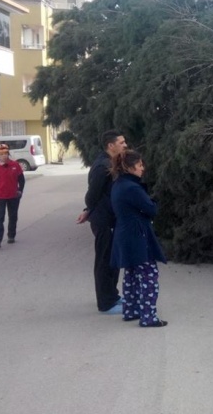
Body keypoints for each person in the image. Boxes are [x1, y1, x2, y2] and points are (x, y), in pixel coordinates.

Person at [110, 149, 168, 327]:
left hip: (125, 234)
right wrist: (153, 202)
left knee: (132, 274)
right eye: (140, 165)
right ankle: (148, 316)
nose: (143, 168)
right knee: (149, 274)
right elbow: (151, 209)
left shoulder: (119, 184)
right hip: (137, 236)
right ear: (129, 167)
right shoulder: (132, 187)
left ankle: (131, 309)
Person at [76, 130, 127, 314]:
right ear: (110, 145)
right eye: (121, 142)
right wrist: (89, 210)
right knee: (105, 261)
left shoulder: (111, 163)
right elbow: (92, 195)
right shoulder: (102, 166)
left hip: (111, 219)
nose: (125, 145)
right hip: (104, 220)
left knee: (113, 259)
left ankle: (113, 296)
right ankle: (106, 303)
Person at [0, 144, 25, 248]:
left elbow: (21, 179)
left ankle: (11, 236)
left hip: (13, 196)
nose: (3, 156)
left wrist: (20, 190)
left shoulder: (15, 165)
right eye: (1, 154)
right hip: (0, 197)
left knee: (13, 216)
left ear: (8, 153)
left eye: (5, 153)